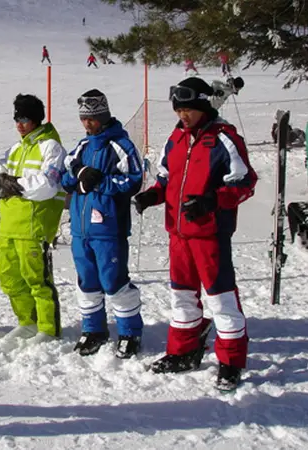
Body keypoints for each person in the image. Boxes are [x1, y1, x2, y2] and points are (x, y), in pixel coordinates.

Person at [133, 77, 257, 391]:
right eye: (178, 109)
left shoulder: (224, 138)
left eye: (188, 109)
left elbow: (244, 183)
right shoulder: (176, 137)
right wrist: (153, 195)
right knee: (182, 296)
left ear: (203, 105)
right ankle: (184, 351)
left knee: (221, 299)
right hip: (178, 234)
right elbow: (165, 177)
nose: (182, 115)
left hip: (210, 234)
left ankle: (230, 362)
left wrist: (211, 201)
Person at [61, 90, 144, 358]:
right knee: (87, 281)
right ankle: (93, 329)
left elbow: (133, 180)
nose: (87, 124)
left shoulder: (120, 144)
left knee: (113, 281)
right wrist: (79, 174)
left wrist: (101, 182)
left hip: (108, 228)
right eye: (84, 118)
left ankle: (130, 332)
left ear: (104, 115)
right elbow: (66, 173)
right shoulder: (84, 146)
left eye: (92, 118)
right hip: (81, 228)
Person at [0, 94, 67, 343]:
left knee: (37, 280)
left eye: (24, 119)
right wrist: (0, 181)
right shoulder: (15, 149)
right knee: (9, 278)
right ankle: (27, 321)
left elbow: (48, 185)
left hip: (34, 225)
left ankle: (48, 328)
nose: (19, 124)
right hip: (9, 225)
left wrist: (15, 184)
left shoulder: (51, 147)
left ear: (36, 119)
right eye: (16, 119)